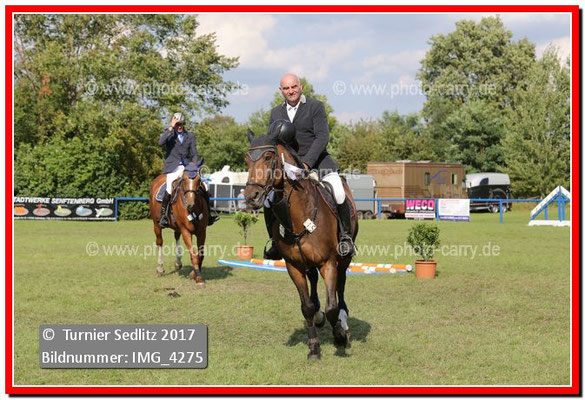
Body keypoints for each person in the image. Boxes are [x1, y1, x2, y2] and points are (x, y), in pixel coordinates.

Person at [263, 74, 355, 259]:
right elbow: (273, 143)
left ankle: (345, 238)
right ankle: (275, 242)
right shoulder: (275, 113)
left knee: (338, 191)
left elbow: (322, 137)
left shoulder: (315, 106)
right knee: (268, 199)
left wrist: (307, 163)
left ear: (301, 86)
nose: (291, 91)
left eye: (293, 87)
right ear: (281, 90)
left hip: (319, 162)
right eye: (286, 88)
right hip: (289, 167)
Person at [158, 112, 218, 228]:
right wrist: (171, 127)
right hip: (172, 167)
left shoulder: (190, 136)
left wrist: (194, 165)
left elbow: (194, 153)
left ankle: (209, 214)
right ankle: (164, 216)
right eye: (177, 124)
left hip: (187, 166)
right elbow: (160, 143)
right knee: (169, 187)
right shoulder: (169, 134)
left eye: (181, 124)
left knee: (204, 186)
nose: (179, 126)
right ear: (174, 124)